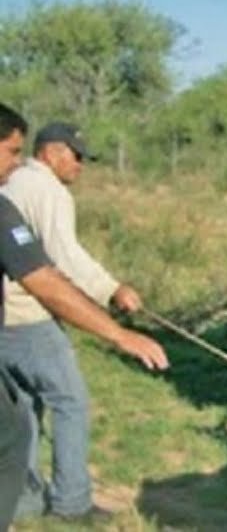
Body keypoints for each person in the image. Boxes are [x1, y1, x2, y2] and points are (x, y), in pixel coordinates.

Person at [0, 103, 167, 530]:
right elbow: (57, 265)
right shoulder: (45, 190)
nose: (80, 165)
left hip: (8, 319)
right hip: (28, 314)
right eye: (76, 155)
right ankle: (72, 502)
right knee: (69, 399)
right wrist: (112, 296)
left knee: (22, 411)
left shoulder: (12, 187)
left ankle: (23, 499)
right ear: (52, 152)